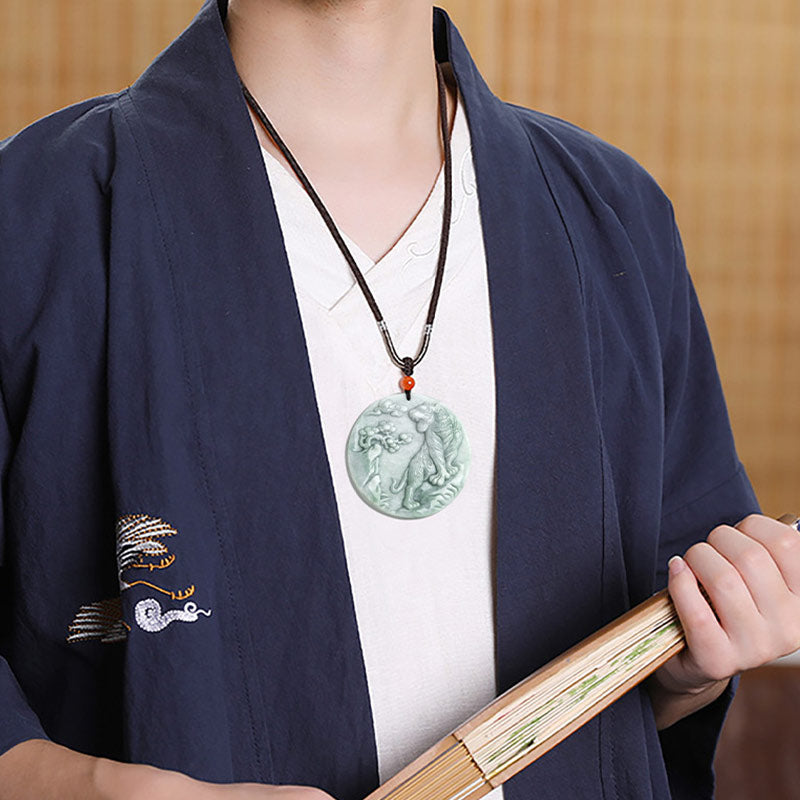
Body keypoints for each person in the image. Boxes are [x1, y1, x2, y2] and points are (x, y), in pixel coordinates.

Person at [0, 1, 798, 798]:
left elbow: (663, 691)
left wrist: (690, 668)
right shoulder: (36, 216)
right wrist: (85, 787)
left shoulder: (612, 215)